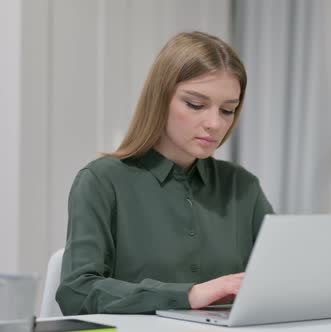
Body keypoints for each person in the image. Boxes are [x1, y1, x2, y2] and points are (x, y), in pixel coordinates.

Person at [56, 31, 274, 315]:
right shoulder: (102, 181)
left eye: (227, 110)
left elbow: (281, 280)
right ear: (159, 99)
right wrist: (190, 294)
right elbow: (76, 291)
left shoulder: (242, 186)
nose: (214, 123)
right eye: (195, 105)